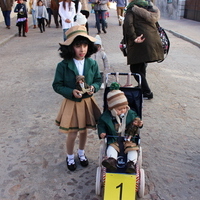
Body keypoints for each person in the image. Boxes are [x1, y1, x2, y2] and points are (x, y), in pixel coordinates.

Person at [52, 25, 102, 171]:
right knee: (72, 132)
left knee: (84, 130)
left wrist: (94, 87)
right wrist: (70, 91)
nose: (82, 49)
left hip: (87, 102)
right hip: (72, 102)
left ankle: (81, 153)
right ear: (70, 47)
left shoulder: (92, 63)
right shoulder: (63, 65)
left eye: (85, 45)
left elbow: (98, 80)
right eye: (78, 45)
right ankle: (70, 156)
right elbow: (57, 85)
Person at [122, 0, 164, 99]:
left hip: (140, 40)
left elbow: (128, 24)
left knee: (135, 68)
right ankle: (141, 86)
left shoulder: (132, 8)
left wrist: (133, 37)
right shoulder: (149, 7)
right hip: (151, 39)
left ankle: (147, 92)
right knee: (141, 65)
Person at [98, 82, 143, 173]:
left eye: (125, 108)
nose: (123, 110)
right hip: (114, 138)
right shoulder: (106, 116)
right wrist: (102, 132)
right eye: (119, 109)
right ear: (112, 110)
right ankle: (112, 160)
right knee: (111, 148)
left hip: (129, 138)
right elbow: (101, 124)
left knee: (132, 149)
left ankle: (131, 163)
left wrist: (139, 124)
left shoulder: (131, 114)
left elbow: (137, 121)